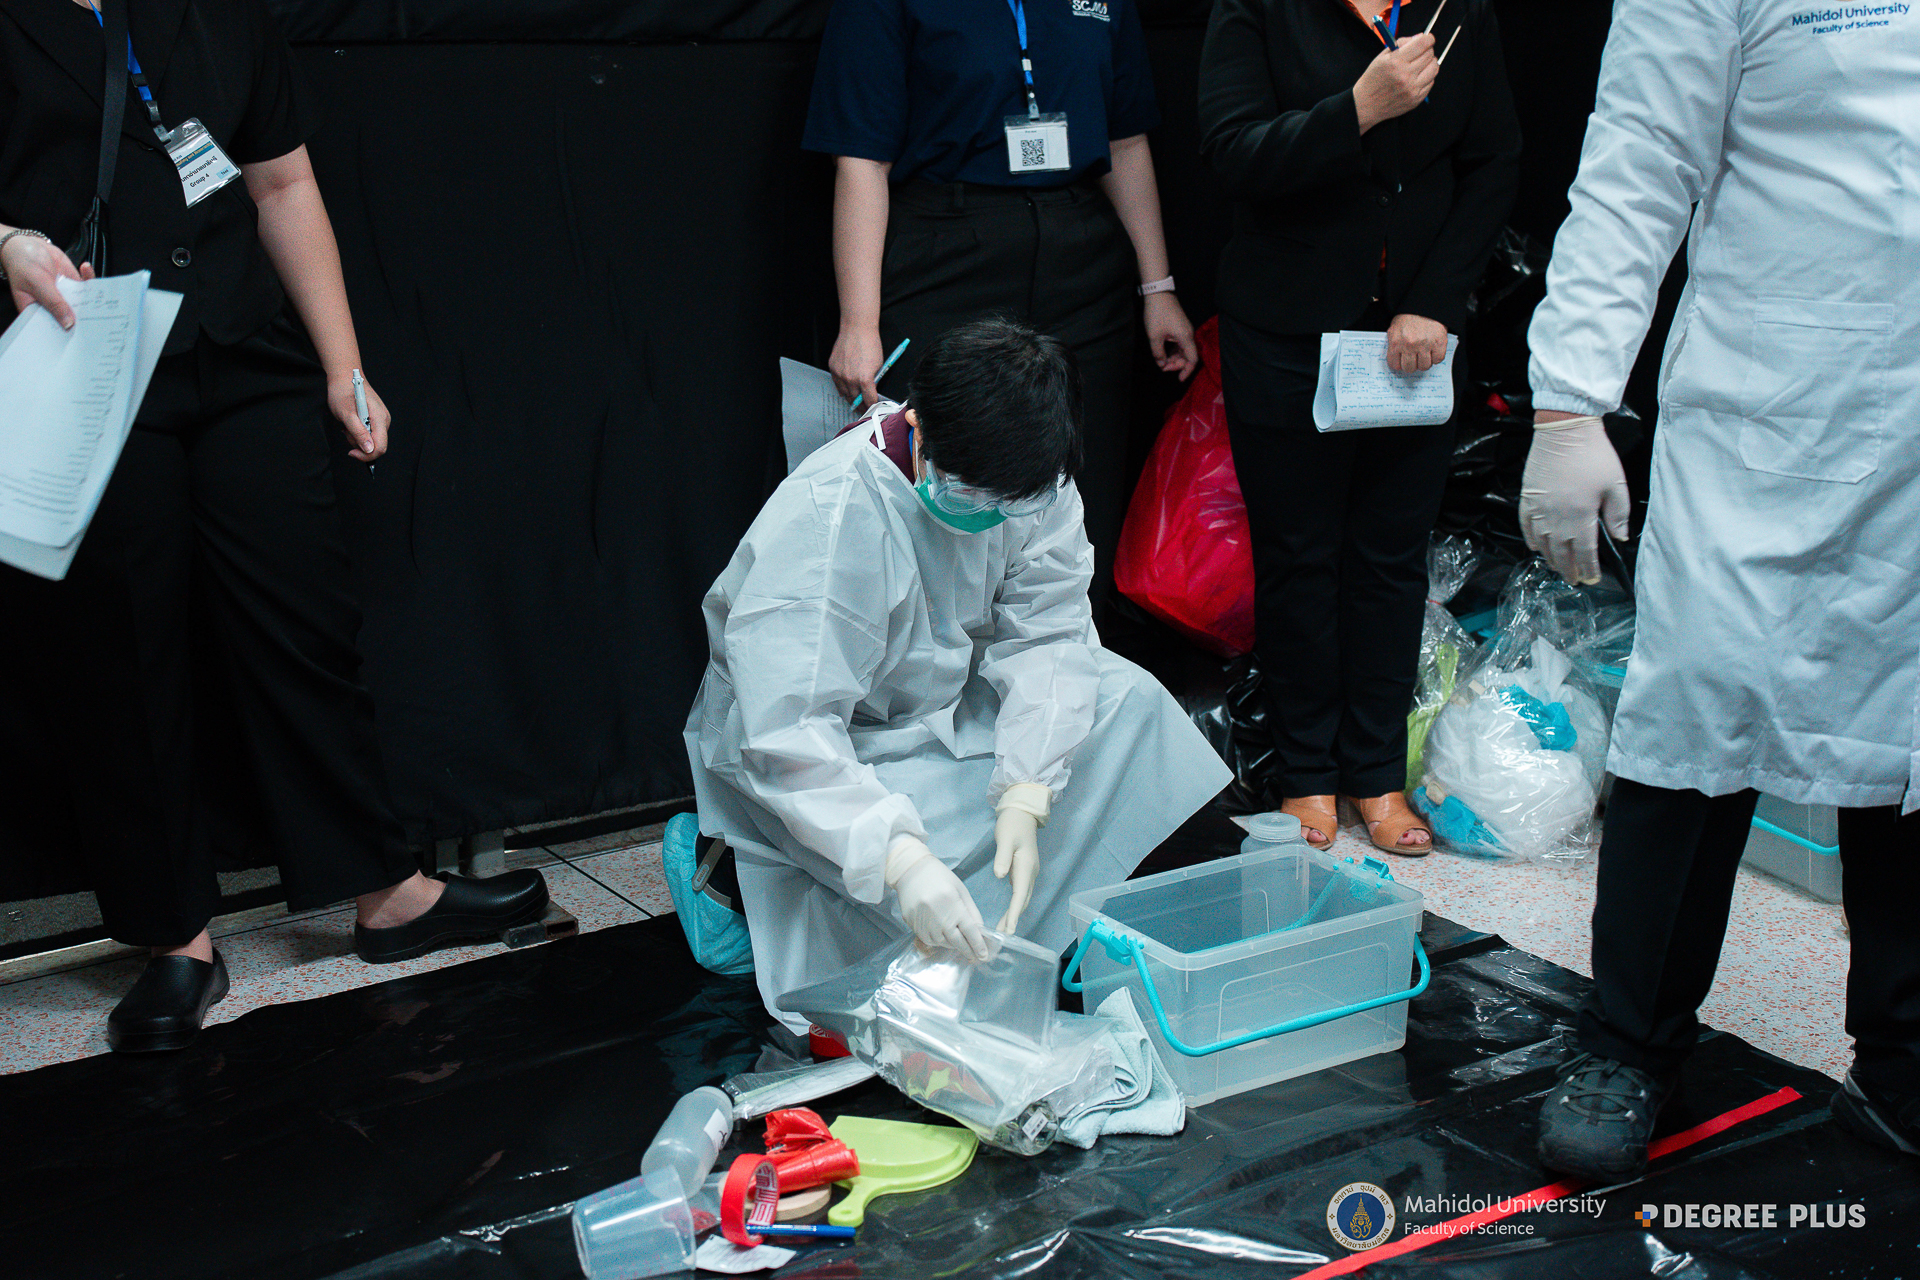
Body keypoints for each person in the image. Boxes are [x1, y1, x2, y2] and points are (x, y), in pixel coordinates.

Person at [0, 0, 547, 1053]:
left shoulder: (217, 12)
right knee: (122, 651)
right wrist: (9, 245)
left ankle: (385, 890)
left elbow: (282, 183)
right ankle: (175, 940)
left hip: (242, 348)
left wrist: (344, 367)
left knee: (306, 619)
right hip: (89, 361)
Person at [1522, 0, 1920, 1175]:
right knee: (1698, 720)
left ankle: (1904, 1061)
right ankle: (1630, 1040)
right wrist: (1568, 397)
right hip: (1773, 411)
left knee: (1909, 743)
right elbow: (1639, 161)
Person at [684, 317, 1230, 1030]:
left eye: (1012, 503)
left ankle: (1004, 916)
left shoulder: (1032, 478)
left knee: (1130, 702)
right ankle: (721, 872)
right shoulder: (830, 519)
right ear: (917, 426)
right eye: (973, 496)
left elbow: (1051, 635)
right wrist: (901, 859)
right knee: (907, 886)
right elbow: (786, 731)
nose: (992, 518)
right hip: (827, 749)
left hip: (937, 707)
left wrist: (1027, 790)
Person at [1196, 0, 1519, 854]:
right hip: (1286, 332)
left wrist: (1437, 299)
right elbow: (1232, 153)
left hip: (1414, 339)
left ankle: (1377, 776)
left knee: (1390, 561)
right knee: (1297, 558)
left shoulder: (1459, 11)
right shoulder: (1259, 10)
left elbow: (1493, 162)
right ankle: (1306, 773)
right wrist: (1358, 110)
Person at [802, 0, 1199, 614]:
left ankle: (1062, 664)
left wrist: (1158, 287)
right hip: (947, 247)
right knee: (941, 487)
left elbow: (1125, 140)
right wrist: (859, 322)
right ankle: (930, 664)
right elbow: (861, 159)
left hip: (1080, 251)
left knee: (1080, 490)